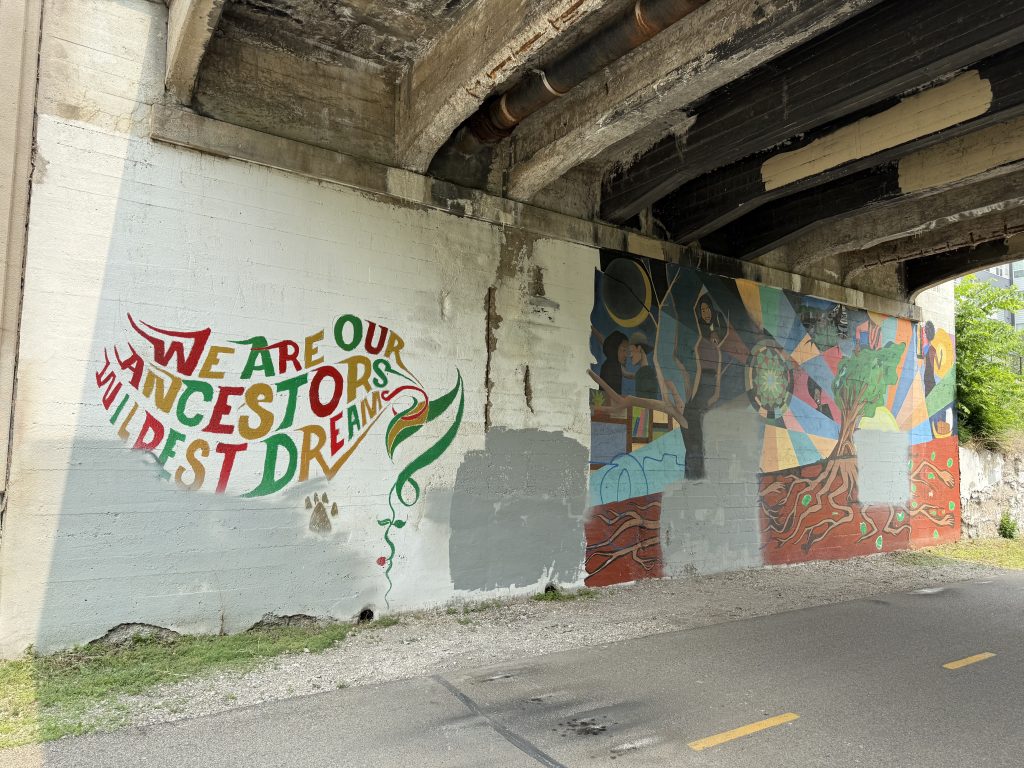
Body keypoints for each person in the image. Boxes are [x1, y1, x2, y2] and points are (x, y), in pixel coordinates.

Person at [629, 331, 660, 399]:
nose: (630, 356)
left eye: (631, 351)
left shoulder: (641, 373)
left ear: (639, 348)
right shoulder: (651, 372)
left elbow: (642, 402)